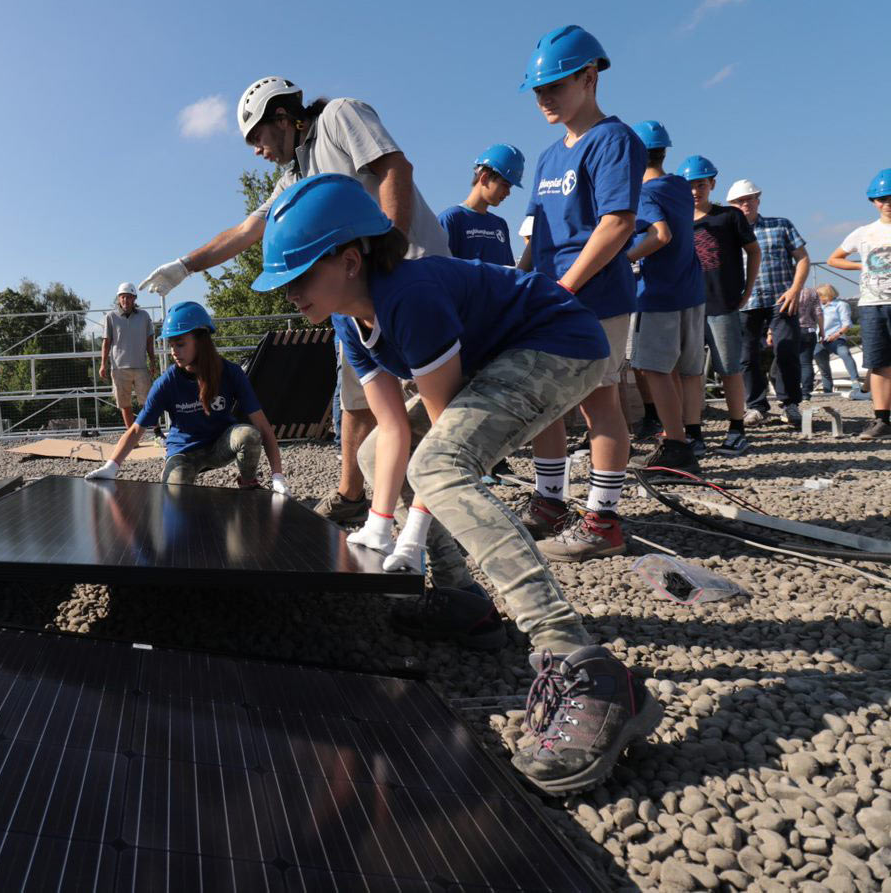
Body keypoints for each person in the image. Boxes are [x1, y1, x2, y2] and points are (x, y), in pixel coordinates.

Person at [253, 172, 660, 795]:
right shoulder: (347, 320)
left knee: (437, 468)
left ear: (350, 259)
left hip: (560, 344)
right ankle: (465, 604)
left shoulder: (409, 295)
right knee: (370, 459)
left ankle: (580, 661)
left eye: (299, 276)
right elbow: (391, 429)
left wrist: (412, 528)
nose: (290, 294)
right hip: (505, 358)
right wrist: (382, 525)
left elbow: (449, 447)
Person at [137, 77, 449, 526]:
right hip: (353, 294)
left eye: (258, 137)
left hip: (410, 275)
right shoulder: (293, 179)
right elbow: (246, 232)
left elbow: (394, 168)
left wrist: (394, 245)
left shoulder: (340, 116)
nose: (257, 150)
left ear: (283, 118)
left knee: (435, 399)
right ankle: (352, 494)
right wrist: (186, 266)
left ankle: (444, 494)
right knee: (356, 399)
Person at [514, 25, 645, 561]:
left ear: (589, 78)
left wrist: (566, 287)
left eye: (555, 87)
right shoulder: (547, 158)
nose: (545, 98)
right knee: (543, 405)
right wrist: (519, 289)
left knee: (599, 400)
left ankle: (604, 519)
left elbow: (617, 224)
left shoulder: (614, 141)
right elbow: (537, 235)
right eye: (539, 90)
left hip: (597, 297)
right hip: (551, 296)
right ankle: (551, 502)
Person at [85, 301, 289, 487]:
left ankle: (248, 484)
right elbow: (136, 429)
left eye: (180, 344)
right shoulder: (166, 383)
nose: (174, 351)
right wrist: (111, 467)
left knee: (249, 435)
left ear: (201, 341)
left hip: (220, 445)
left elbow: (262, 426)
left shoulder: (231, 373)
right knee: (174, 493)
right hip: (184, 452)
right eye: (171, 345)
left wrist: (278, 477)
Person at [624, 121, 705, 472]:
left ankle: (675, 446)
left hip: (658, 294)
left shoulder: (645, 193)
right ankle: (682, 437)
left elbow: (661, 234)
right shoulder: (678, 186)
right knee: (676, 370)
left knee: (653, 369)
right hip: (690, 290)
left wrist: (624, 258)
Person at [686, 158, 761, 456]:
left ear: (712, 184)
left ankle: (736, 429)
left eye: (701, 184)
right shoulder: (677, 220)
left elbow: (753, 252)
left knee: (729, 369)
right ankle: (693, 433)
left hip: (722, 303)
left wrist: (748, 290)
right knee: (690, 373)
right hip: (688, 305)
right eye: (690, 185)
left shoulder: (730, 217)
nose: (695, 191)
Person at [727, 179, 811, 428]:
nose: (745, 204)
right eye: (739, 201)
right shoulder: (729, 233)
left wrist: (796, 289)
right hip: (745, 301)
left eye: (749, 199)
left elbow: (803, 259)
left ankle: (790, 404)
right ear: (732, 205)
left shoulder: (780, 225)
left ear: (758, 200)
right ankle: (756, 406)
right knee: (745, 356)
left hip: (780, 299)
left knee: (786, 350)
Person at [827, 168, 891, 439]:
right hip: (872, 303)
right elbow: (834, 258)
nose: (887, 203)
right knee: (878, 363)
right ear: (874, 202)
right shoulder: (864, 233)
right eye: (882, 199)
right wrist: (860, 266)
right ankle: (882, 421)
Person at [438, 145, 523, 265]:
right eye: (505, 185)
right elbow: (438, 270)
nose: (508, 193)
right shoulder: (451, 219)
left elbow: (507, 273)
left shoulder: (500, 225)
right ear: (484, 178)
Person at [99, 282, 157, 432]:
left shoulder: (144, 316)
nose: (126, 300)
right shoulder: (110, 317)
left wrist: (152, 362)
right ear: (119, 299)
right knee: (124, 403)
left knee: (148, 402)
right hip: (119, 367)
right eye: (123, 297)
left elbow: (150, 341)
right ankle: (131, 437)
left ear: (134, 299)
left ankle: (157, 432)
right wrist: (103, 364)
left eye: (129, 297)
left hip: (140, 366)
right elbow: (106, 342)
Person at [813, 284, 864, 397]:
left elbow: (847, 324)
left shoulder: (841, 305)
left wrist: (836, 335)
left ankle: (855, 381)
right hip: (820, 340)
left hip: (835, 338)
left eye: (819, 296)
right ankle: (828, 391)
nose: (817, 298)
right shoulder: (818, 307)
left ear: (826, 295)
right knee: (823, 366)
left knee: (845, 353)